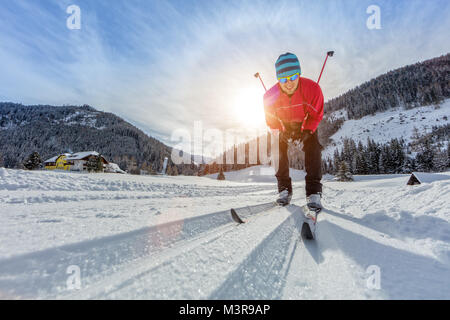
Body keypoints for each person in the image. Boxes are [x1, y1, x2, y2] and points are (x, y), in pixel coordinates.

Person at [263, 52, 324, 209]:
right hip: (284, 125)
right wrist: (280, 131)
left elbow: (316, 115)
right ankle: (284, 189)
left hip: (304, 123)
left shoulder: (313, 89)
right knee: (276, 147)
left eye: (293, 76)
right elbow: (271, 119)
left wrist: (307, 130)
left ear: (299, 74)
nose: (288, 83)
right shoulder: (270, 96)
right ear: (278, 79)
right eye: (283, 79)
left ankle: (313, 191)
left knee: (313, 146)